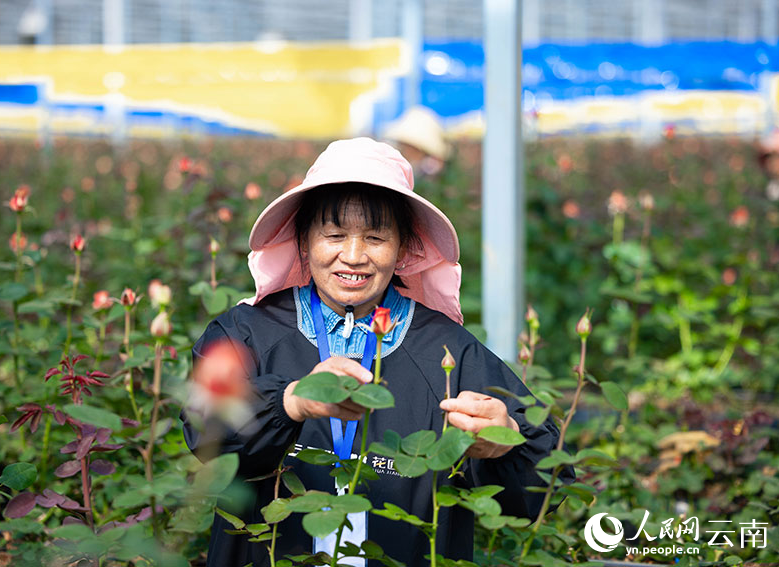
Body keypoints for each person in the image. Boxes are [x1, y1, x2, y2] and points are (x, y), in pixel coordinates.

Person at [183, 137, 571, 567]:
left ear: (404, 248)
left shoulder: (448, 352)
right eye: (333, 235)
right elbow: (204, 433)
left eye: (375, 237)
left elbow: (547, 485)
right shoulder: (247, 332)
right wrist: (289, 402)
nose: (353, 256)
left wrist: (507, 442)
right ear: (304, 242)